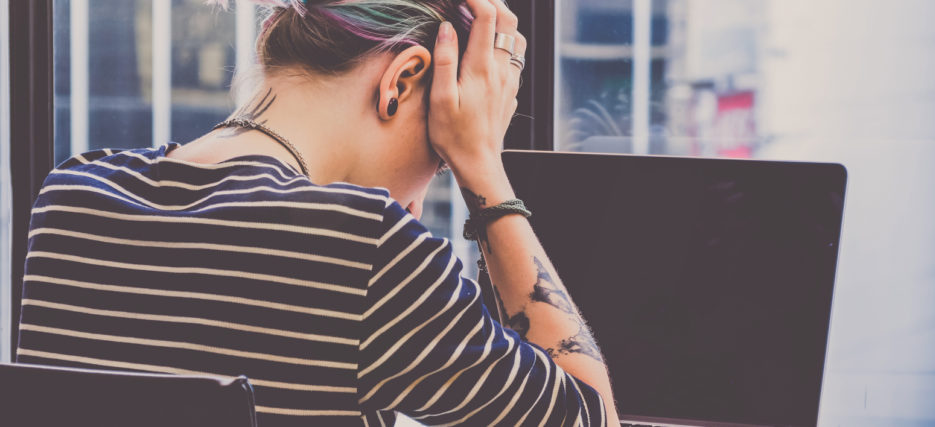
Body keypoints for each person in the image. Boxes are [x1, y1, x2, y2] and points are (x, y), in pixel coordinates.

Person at [14, 0, 620, 425]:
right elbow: (591, 417)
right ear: (403, 79)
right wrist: (482, 164)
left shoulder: (72, 195)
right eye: (441, 152)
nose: (433, 173)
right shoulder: (362, 244)